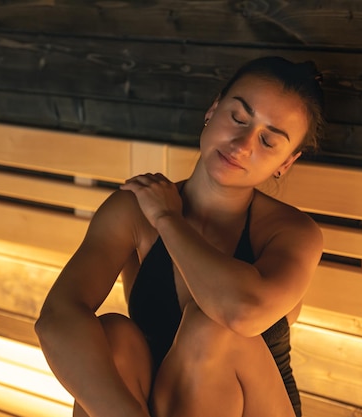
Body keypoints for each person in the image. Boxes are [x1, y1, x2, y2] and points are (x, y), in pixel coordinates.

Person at [35, 56, 325, 417]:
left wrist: (167, 219)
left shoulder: (292, 232)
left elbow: (242, 313)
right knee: (112, 336)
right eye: (237, 118)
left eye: (268, 141)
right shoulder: (133, 208)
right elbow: (57, 317)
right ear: (214, 109)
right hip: (154, 406)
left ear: (286, 162)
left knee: (211, 329)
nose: (242, 144)